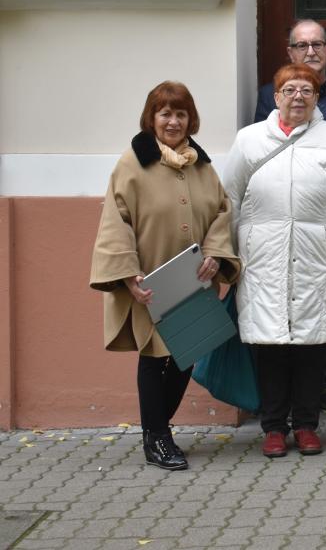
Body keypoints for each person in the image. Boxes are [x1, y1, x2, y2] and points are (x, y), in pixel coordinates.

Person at [223, 64, 326, 459]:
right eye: (289, 89)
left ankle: (306, 426)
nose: (298, 96)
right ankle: (273, 428)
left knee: (311, 348)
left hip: (317, 260)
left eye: (307, 89)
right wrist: (227, 259)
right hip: (261, 261)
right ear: (275, 96)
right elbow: (228, 202)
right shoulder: (249, 140)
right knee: (270, 348)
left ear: (317, 98)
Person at [90, 81, 240, 471]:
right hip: (150, 281)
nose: (173, 121)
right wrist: (127, 274)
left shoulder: (203, 166)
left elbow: (223, 213)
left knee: (185, 355)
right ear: (151, 118)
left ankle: (160, 429)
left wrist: (216, 254)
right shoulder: (131, 163)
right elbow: (115, 220)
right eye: (165, 113)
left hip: (192, 280)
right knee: (155, 357)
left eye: (181, 114)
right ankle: (155, 437)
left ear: (191, 119)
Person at [254, 18, 326, 418]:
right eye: (301, 46)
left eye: (317, 44)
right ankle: (281, 408)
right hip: (282, 223)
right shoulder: (267, 95)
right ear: (289, 52)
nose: (310, 52)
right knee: (285, 311)